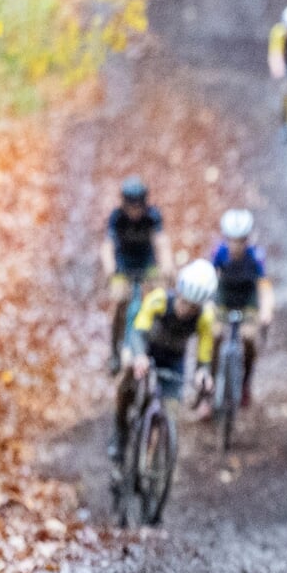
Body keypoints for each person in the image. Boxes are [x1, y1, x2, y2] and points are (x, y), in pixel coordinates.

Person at [112, 260, 219, 461]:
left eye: (193, 307)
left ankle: (152, 460)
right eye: (184, 302)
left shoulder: (205, 318)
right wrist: (139, 355)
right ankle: (119, 432)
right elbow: (138, 330)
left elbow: (204, 351)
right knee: (127, 369)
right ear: (178, 292)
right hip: (146, 350)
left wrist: (203, 372)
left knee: (170, 410)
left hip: (173, 362)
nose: (186, 310)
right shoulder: (159, 300)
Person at [101, 176, 169, 373]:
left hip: (147, 265)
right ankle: (115, 351)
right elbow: (108, 245)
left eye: (138, 205)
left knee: (159, 300)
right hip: (123, 266)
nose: (135, 210)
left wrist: (166, 265)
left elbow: (161, 241)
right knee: (120, 301)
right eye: (131, 205)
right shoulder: (117, 218)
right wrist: (109, 266)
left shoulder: (152, 216)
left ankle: (156, 347)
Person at [209, 209, 276, 407]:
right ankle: (209, 383)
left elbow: (264, 286)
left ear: (247, 239)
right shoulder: (219, 253)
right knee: (215, 334)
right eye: (231, 240)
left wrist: (266, 310)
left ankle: (245, 383)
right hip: (224, 297)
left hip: (247, 300)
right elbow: (210, 278)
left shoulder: (256, 257)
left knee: (248, 338)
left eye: (240, 240)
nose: (235, 245)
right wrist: (208, 305)